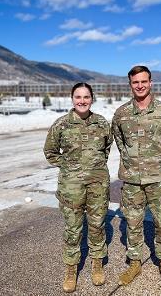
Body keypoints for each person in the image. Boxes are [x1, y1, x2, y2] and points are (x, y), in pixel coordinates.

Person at [111, 65, 161, 287]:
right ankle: (134, 263)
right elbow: (121, 143)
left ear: (151, 83)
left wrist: (158, 161)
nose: (139, 86)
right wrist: (134, 163)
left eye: (143, 81)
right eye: (135, 82)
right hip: (132, 180)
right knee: (132, 222)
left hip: (158, 179)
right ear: (130, 84)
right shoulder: (121, 114)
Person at [43, 82, 113, 293]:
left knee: (97, 225)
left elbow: (106, 148)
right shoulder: (61, 124)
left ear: (92, 99)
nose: (82, 101)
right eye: (78, 97)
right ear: (72, 99)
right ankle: (71, 268)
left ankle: (97, 264)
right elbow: (50, 152)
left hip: (97, 185)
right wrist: (70, 167)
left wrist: (94, 167)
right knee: (73, 229)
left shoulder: (101, 123)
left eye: (86, 97)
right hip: (71, 187)